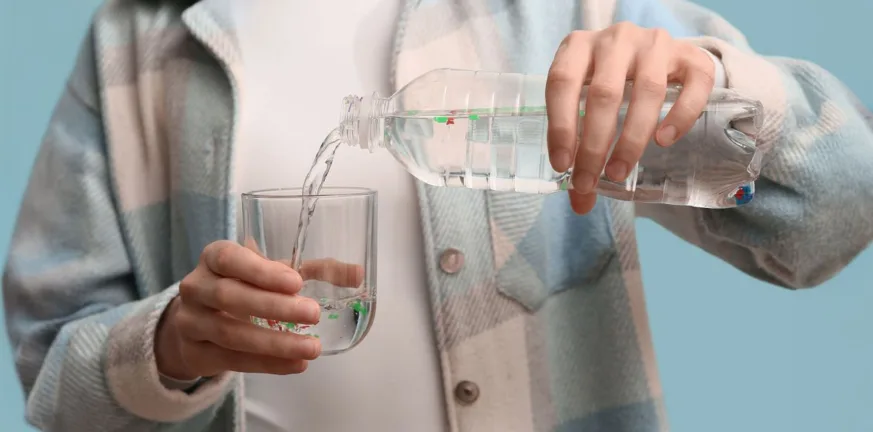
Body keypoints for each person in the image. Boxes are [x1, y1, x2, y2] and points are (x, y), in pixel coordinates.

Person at [4, 0, 872, 430]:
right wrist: (166, 346)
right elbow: (53, 376)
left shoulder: (566, 9)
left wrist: (721, 89)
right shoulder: (137, 37)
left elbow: (838, 216)